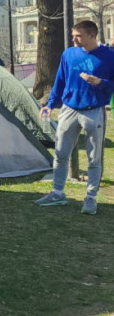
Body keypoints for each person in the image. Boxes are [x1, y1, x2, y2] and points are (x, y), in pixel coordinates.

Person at [35, 20, 114, 215]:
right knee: (61, 153)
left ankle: (90, 198)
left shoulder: (109, 57)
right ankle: (58, 193)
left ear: (92, 35)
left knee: (94, 158)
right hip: (69, 109)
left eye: (78, 36)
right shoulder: (68, 54)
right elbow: (60, 81)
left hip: (94, 111)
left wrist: (100, 82)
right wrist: (50, 104)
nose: (74, 39)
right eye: (73, 36)